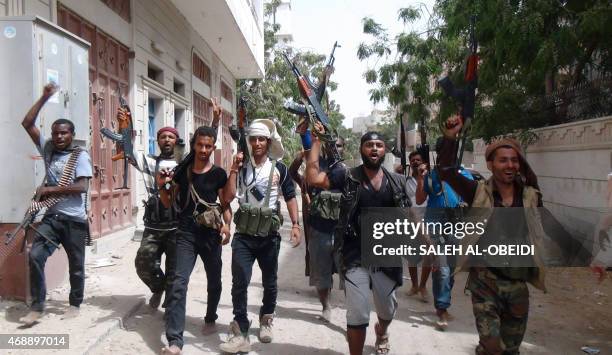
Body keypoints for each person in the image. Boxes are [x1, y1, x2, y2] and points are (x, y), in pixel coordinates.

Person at [438, 115, 545, 355]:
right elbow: (446, 172)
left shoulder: (530, 196)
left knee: (511, 349)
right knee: (493, 345)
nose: (510, 165)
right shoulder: (477, 192)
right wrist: (449, 137)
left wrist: (518, 158)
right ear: (490, 165)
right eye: (503, 160)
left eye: (514, 161)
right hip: (485, 282)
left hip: (517, 283)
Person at [306, 124, 411, 355]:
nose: (374, 149)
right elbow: (313, 177)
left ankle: (382, 331)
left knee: (387, 309)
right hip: (354, 254)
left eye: (379, 145)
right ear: (362, 150)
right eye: (369, 145)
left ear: (385, 150)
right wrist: (314, 141)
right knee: (358, 313)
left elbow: (411, 215)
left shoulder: (397, 182)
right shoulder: (348, 176)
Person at [158, 125, 241, 355]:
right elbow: (167, 201)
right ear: (194, 145)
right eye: (200, 145)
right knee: (178, 283)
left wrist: (227, 225)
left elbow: (225, 203)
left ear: (213, 147)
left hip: (211, 234)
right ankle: (175, 341)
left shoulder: (218, 174)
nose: (203, 150)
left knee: (214, 281)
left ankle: (211, 316)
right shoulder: (182, 171)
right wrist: (162, 184)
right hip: (186, 233)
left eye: (208, 146)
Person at [219, 119, 301, 354]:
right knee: (240, 281)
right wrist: (234, 168)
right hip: (244, 235)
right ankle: (240, 329)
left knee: (270, 281)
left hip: (268, 236)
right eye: (253, 138)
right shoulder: (241, 166)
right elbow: (227, 196)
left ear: (268, 141)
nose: (257, 143)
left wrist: (296, 224)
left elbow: (289, 197)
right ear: (248, 141)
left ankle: (266, 319)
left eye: (261, 139)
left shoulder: (280, 168)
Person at [19, 83, 93, 325]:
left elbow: (81, 187)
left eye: (64, 133)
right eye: (55, 133)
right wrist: (44, 97)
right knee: (35, 256)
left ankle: (75, 303)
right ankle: (38, 307)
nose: (59, 136)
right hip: (52, 218)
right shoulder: (49, 149)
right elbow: (27, 124)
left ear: (72, 134)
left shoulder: (80, 156)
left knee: (76, 266)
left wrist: (50, 189)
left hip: (74, 220)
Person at [416, 139, 474, 330]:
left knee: (450, 269)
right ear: (438, 154)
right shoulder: (431, 176)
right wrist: (420, 179)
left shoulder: (463, 174)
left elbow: (474, 199)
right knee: (441, 269)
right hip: (435, 228)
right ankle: (441, 309)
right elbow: (420, 199)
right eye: (443, 152)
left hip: (455, 228)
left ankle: (443, 302)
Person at [289, 136, 345, 322]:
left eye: (338, 146)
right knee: (321, 271)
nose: (334, 148)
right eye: (331, 145)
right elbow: (293, 172)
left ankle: (353, 310)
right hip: (318, 228)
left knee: (350, 273)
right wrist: (301, 155)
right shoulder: (314, 170)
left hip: (340, 231)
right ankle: (326, 306)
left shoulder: (344, 172)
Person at [134, 127, 181, 310]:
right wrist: (126, 127)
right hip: (154, 226)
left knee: (174, 269)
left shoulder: (183, 163)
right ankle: (158, 287)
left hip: (176, 226)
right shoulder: (149, 161)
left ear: (176, 140)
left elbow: (203, 147)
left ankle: (170, 311)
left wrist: (216, 122)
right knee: (143, 262)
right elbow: (128, 152)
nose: (167, 140)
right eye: (163, 137)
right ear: (157, 141)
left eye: (171, 137)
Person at [403, 151, 431, 302]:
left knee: (429, 255)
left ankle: (423, 286)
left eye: (418, 159)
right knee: (412, 256)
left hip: (429, 220)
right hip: (412, 221)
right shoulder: (406, 181)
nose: (415, 162)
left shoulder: (430, 178)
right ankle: (414, 285)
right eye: (412, 160)